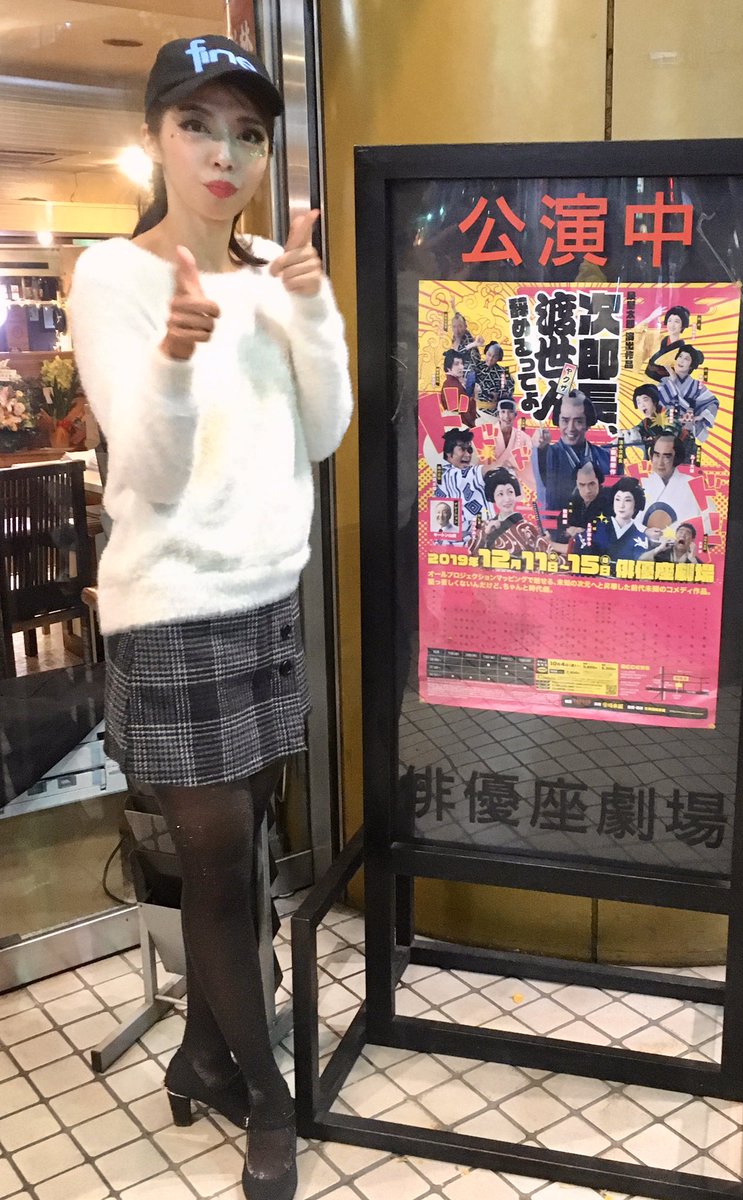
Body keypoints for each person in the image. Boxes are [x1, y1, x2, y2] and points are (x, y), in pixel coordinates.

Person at [68, 35, 353, 1200]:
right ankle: (268, 1105)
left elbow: (325, 430)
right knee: (221, 870)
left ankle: (200, 1052)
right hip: (177, 611)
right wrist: (177, 359)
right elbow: (150, 467)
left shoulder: (271, 272)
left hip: (266, 597)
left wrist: (311, 310)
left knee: (249, 853)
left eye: (247, 133)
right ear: (156, 138)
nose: (224, 153)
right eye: (196, 125)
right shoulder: (113, 276)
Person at [532, 389, 610, 511]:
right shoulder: (548, 454)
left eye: (578, 421)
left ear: (588, 423)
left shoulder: (606, 457)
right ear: (557, 421)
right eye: (565, 420)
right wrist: (540, 448)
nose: (570, 428)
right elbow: (543, 486)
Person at [468, 467, 556, 556]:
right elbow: (472, 555)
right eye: (500, 494)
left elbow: (548, 557)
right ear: (493, 497)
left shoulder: (527, 528)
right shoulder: (486, 526)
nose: (507, 499)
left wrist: (546, 543)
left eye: (510, 492)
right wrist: (486, 533)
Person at [575, 476, 649, 561]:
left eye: (627, 500)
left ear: (636, 504)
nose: (621, 505)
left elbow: (641, 558)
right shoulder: (597, 527)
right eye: (617, 499)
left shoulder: (640, 536)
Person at [657, 344, 719, 443]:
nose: (681, 361)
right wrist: (672, 378)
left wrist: (700, 416)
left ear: (691, 366)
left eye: (686, 359)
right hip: (667, 428)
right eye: (680, 356)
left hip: (687, 430)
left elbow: (713, 402)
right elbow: (659, 402)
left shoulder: (696, 385)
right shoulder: (665, 381)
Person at [639, 433, 701, 527]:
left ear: (677, 458)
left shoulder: (694, 485)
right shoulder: (640, 483)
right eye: (657, 455)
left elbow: (709, 520)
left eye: (667, 457)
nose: (660, 463)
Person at [433, 426, 488, 533]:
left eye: (469, 450)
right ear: (449, 453)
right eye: (462, 449)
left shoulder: (473, 471)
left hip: (475, 535)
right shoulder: (442, 473)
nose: (468, 454)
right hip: (448, 536)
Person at [478, 397, 534, 490]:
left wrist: (511, 464)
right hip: (489, 484)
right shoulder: (486, 435)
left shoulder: (524, 438)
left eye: (510, 412)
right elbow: (480, 465)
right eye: (503, 412)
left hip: (513, 486)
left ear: (515, 415)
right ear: (498, 414)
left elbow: (529, 465)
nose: (507, 416)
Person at [622, 382, 685, 458]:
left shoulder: (669, 412)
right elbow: (636, 431)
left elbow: (670, 433)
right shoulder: (646, 422)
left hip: (684, 452)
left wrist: (653, 439)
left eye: (645, 400)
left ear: (654, 401)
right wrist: (626, 433)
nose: (642, 405)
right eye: (638, 402)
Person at [645, 304, 691, 381]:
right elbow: (637, 334)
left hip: (664, 386)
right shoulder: (659, 339)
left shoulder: (683, 351)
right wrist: (651, 317)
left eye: (676, 321)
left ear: (683, 325)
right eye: (670, 321)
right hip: (646, 382)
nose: (672, 325)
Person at [562, 461, 607, 538]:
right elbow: (562, 523)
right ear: (576, 484)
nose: (587, 490)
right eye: (582, 485)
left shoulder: (610, 501)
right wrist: (568, 531)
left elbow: (606, 532)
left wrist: (584, 533)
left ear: (599, 482)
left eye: (592, 484)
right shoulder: (574, 500)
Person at [471, 340, 514, 415]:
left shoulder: (503, 371)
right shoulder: (476, 367)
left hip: (493, 411)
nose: (491, 359)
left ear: (499, 357)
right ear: (486, 352)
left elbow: (508, 390)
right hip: (474, 408)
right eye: (489, 355)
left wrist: (499, 394)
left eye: (495, 356)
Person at [440, 348, 475, 427]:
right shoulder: (452, 386)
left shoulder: (451, 383)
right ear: (448, 368)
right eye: (456, 364)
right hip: (458, 425)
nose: (461, 367)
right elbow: (463, 412)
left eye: (462, 363)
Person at [449, 310, 483, 374]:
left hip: (471, 372)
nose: (457, 330)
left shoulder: (467, 338)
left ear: (465, 326)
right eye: (454, 326)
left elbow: (458, 353)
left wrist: (473, 344)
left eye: (460, 326)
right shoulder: (456, 336)